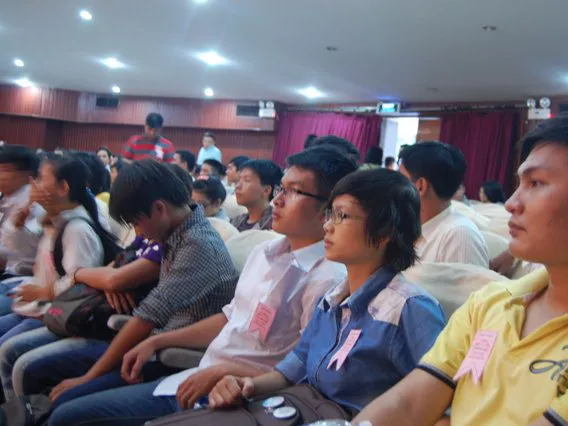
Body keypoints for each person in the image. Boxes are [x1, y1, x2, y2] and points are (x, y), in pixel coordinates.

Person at [353, 113, 568, 426]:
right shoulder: (490, 302)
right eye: (519, 184)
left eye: (536, 183)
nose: (512, 203)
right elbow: (409, 403)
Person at [45, 145, 357, 425]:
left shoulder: (328, 281)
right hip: (201, 374)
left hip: (243, 398)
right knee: (65, 407)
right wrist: (159, 341)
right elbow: (230, 317)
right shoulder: (265, 252)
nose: (277, 199)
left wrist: (225, 373)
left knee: (68, 415)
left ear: (330, 208)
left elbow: (308, 374)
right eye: (281, 188)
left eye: (294, 191)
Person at [208, 169, 446, 416]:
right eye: (331, 214)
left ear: (384, 232)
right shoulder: (333, 298)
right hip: (305, 411)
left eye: (342, 215)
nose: (328, 226)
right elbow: (297, 365)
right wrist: (247, 385)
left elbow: (438, 400)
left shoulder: (410, 309)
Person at [20, 160, 239, 409]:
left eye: (136, 223)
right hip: (149, 344)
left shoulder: (197, 246)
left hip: (169, 358)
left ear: (159, 209)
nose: (138, 233)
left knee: (65, 405)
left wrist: (87, 378)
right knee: (35, 371)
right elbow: (119, 275)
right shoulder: (176, 231)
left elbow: (147, 318)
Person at [0, 156, 117, 400]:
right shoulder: (55, 221)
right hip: (40, 306)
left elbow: (82, 283)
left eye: (41, 178)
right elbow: (23, 252)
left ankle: (16, 410)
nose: (33, 184)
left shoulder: (77, 229)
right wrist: (21, 219)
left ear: (63, 187)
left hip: (57, 313)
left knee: (8, 351)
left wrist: (46, 292)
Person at [398, 142, 489, 267]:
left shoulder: (460, 236)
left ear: (420, 186)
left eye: (400, 179)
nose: (393, 186)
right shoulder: (408, 224)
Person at [0, 147, 40, 316]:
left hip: (21, 277)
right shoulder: (7, 197)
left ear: (27, 175)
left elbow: (23, 252)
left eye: (4, 170)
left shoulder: (32, 203)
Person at [230, 160, 282, 232]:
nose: (237, 186)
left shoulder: (276, 224)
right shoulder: (235, 221)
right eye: (239, 180)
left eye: (246, 180)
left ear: (266, 190)